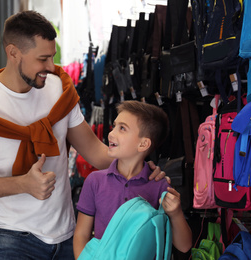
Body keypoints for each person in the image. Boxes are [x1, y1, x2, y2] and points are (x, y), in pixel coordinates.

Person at [0, 10, 168, 260]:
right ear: (13, 53)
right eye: (43, 59)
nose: (51, 66)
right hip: (11, 238)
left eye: (52, 56)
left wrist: (141, 165)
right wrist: (23, 184)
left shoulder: (59, 89)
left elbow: (96, 153)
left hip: (65, 238)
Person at [73, 100, 192, 259]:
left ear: (143, 144)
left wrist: (176, 213)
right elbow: (81, 234)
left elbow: (184, 246)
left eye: (122, 128)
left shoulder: (159, 186)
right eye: (114, 125)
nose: (111, 133)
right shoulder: (95, 181)